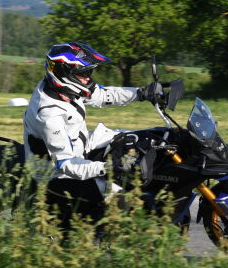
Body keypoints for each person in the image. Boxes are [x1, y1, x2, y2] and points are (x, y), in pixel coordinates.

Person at [22, 42, 161, 233]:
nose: (88, 79)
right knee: (118, 192)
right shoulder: (49, 116)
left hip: (81, 146)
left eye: (89, 73)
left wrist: (142, 93)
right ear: (64, 72)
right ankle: (99, 239)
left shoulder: (66, 88)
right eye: (83, 73)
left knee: (139, 139)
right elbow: (66, 164)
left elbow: (102, 95)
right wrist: (108, 168)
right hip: (57, 175)